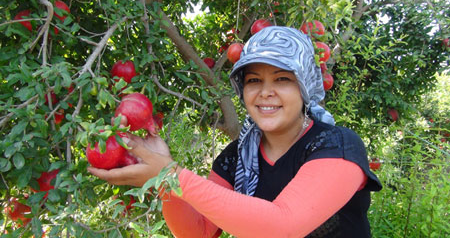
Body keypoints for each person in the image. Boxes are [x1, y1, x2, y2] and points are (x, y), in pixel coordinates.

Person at [88, 26, 382, 238]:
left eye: (281, 79)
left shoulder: (337, 145)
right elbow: (198, 233)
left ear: (304, 87)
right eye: (254, 80)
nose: (265, 92)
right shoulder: (237, 155)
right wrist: (164, 180)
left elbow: (284, 227)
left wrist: (173, 174)